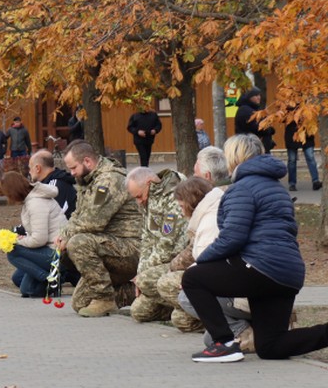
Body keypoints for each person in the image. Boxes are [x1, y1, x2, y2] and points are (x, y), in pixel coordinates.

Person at [182, 134, 328, 362]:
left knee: (193, 278)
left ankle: (224, 344)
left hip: (261, 267)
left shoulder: (242, 188)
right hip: (286, 273)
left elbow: (232, 237)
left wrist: (202, 261)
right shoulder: (276, 187)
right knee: (271, 346)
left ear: (234, 157)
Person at [55, 139, 141, 317]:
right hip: (109, 247)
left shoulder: (109, 180)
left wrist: (68, 237)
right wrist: (63, 235)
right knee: (80, 303)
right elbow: (77, 215)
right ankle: (133, 291)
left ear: (87, 161)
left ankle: (104, 299)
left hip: (131, 248)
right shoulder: (88, 181)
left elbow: (94, 221)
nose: (71, 173)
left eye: (73, 168)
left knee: (78, 243)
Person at [154, 146, 233, 334]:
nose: (191, 176)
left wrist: (182, 272)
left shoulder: (212, 211)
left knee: (165, 284)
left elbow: (200, 253)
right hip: (215, 273)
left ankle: (233, 326)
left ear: (206, 176)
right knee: (180, 317)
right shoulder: (217, 200)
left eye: (195, 174)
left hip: (226, 280)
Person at [124, 166, 188, 323]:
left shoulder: (173, 195)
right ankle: (171, 306)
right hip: (159, 265)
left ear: (149, 182)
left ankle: (188, 309)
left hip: (178, 261)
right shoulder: (150, 197)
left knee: (145, 281)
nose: (139, 202)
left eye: (139, 196)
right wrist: (141, 271)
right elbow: (147, 239)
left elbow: (167, 245)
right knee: (139, 312)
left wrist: (143, 276)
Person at [0, 171, 65, 298]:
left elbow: (39, 239)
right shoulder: (32, 199)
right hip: (48, 248)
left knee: (12, 251)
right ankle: (51, 282)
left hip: (56, 252)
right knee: (18, 279)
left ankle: (50, 279)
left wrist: (16, 241)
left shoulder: (36, 203)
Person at [27, 149, 76, 219]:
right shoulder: (48, 184)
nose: (29, 172)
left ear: (38, 168)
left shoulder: (54, 186)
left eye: (30, 168)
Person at [284, 118, 322, 191]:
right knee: (292, 160)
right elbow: (283, 119)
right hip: (292, 134)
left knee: (310, 157)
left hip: (307, 134)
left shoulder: (308, 107)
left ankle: (315, 181)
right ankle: (292, 184)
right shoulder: (287, 108)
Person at [233, 87, 274, 152]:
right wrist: (269, 129)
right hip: (251, 147)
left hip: (256, 146)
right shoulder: (245, 110)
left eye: (259, 95)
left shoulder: (253, 109)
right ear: (249, 97)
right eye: (255, 95)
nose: (259, 97)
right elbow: (257, 127)